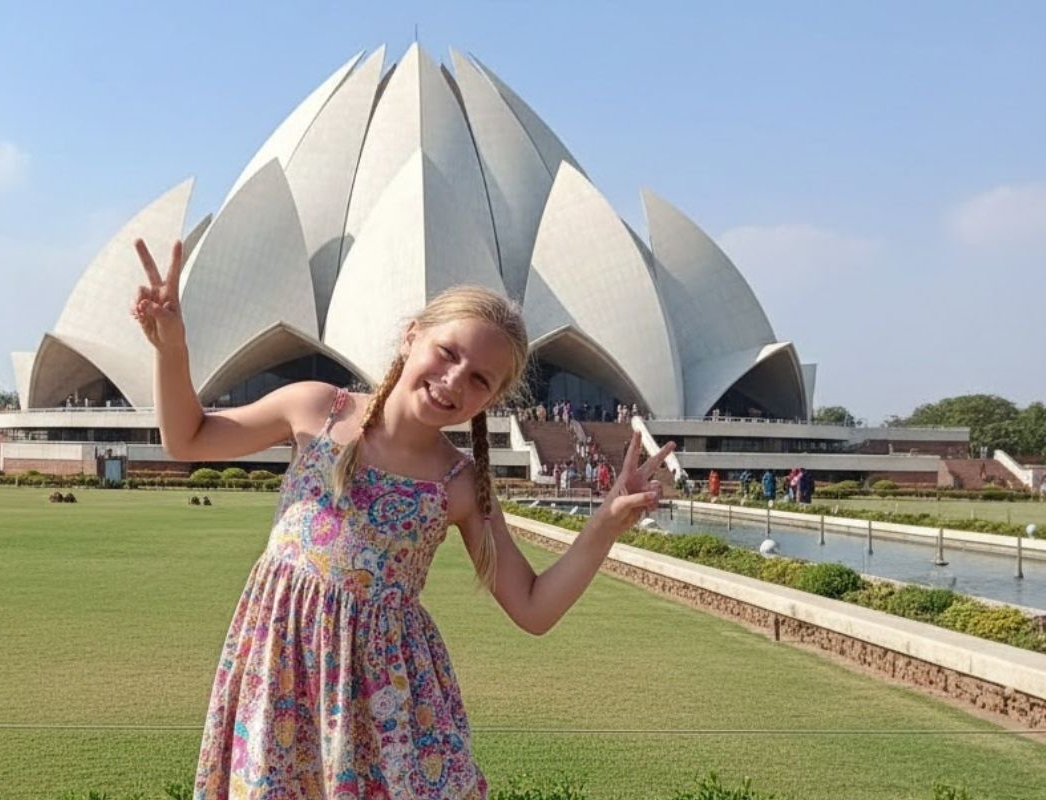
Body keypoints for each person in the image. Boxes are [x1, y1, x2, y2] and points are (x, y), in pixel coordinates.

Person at [132, 239, 675, 800]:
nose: (454, 381)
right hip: (285, 670)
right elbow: (187, 436)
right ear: (412, 335)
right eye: (448, 353)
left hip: (388, 703)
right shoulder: (318, 409)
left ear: (492, 398)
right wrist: (171, 349)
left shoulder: (460, 484)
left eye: (480, 380)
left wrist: (605, 523)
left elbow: (533, 608)